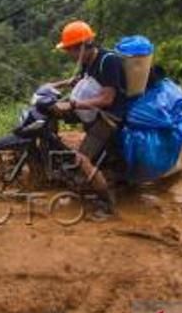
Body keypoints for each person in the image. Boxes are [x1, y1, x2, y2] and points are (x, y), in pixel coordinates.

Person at [49, 20, 126, 217]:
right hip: (91, 109)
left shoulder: (108, 61)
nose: (68, 54)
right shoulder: (88, 61)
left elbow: (107, 99)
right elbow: (77, 81)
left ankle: (106, 205)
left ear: (82, 46)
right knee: (52, 111)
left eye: (70, 50)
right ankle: (53, 155)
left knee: (82, 159)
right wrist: (54, 85)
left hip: (109, 117)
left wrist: (73, 105)